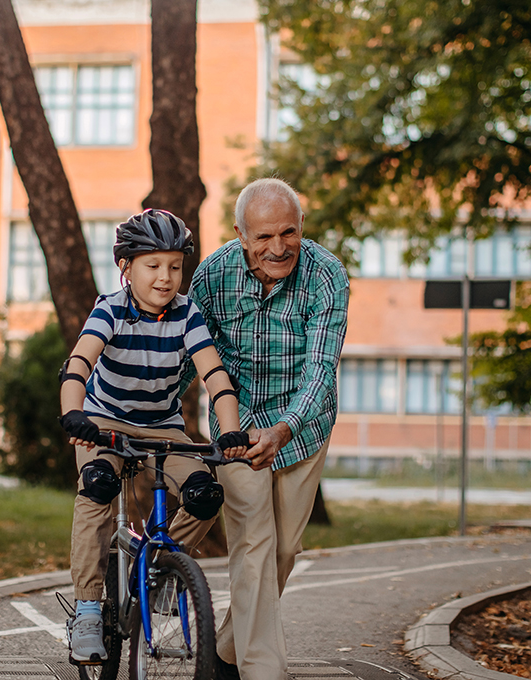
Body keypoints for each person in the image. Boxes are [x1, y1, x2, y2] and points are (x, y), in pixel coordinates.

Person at [58, 208, 251, 663]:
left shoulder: (187, 314)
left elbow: (215, 376)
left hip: (163, 428)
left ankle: (160, 570)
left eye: (175, 266)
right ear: (126, 267)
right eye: (153, 265)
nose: (166, 277)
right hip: (103, 423)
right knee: (97, 487)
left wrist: (232, 428)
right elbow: (78, 364)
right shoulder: (110, 308)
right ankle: (87, 609)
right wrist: (73, 413)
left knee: (206, 492)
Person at [186, 178, 349, 680]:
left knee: (281, 552)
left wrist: (281, 429)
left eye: (288, 233)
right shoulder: (212, 276)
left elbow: (321, 370)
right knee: (253, 546)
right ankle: (263, 672)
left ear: (301, 227)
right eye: (263, 237)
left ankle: (226, 652)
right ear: (240, 234)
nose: (278, 248)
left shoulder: (327, 276)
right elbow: (188, 353)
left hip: (301, 430)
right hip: (236, 427)